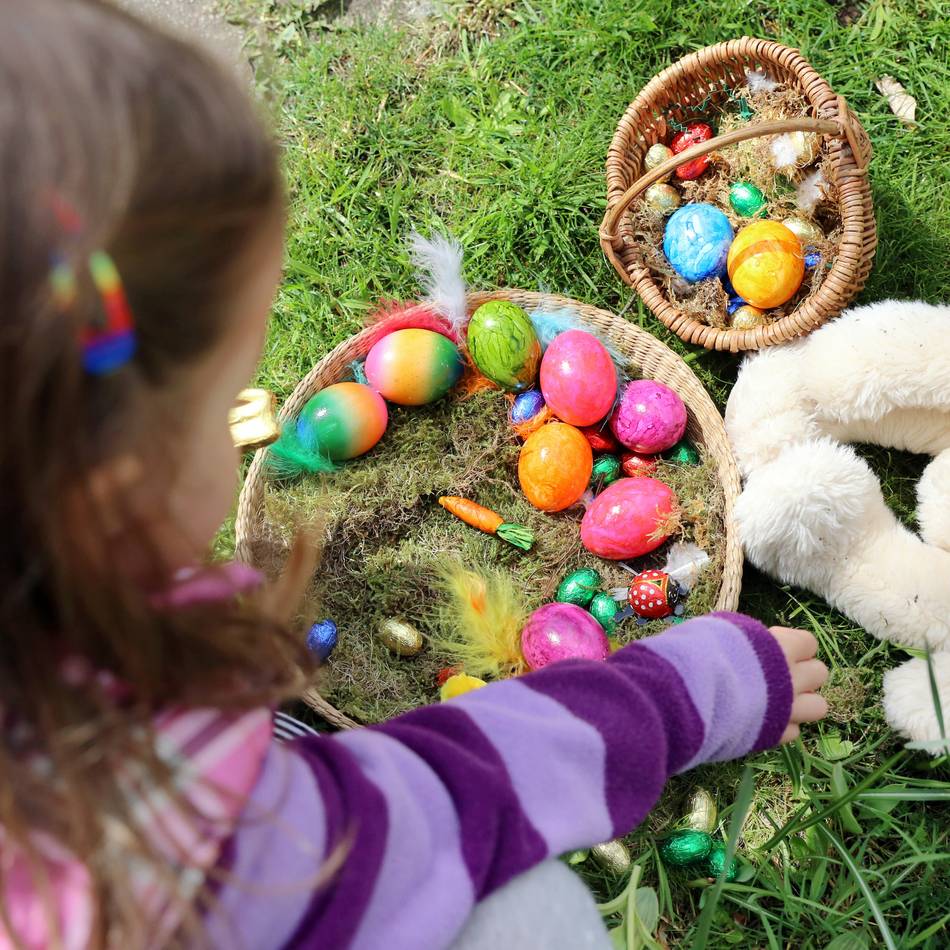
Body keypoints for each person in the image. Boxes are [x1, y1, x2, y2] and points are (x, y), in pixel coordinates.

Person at [0, 1, 829, 947]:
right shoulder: (210, 853)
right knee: (539, 918)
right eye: (225, 396)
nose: (249, 422)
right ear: (110, 490)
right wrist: (681, 694)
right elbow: (455, 800)